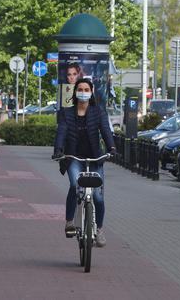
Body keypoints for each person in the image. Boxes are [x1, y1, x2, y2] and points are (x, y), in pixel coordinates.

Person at [52, 78, 115, 247]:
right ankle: (69, 221)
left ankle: (99, 230)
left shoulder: (98, 112)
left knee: (98, 197)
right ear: (75, 92)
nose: (83, 92)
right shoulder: (67, 113)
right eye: (80, 89)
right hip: (74, 157)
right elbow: (61, 132)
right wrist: (58, 150)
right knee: (74, 185)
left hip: (95, 158)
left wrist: (112, 148)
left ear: (91, 92)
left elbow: (106, 131)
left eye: (86, 89)